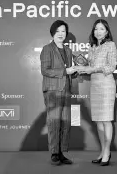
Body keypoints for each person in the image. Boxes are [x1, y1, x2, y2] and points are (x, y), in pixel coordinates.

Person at [75, 19, 117, 166]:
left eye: (101, 29)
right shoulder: (92, 47)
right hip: (95, 85)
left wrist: (92, 69)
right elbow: (89, 67)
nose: (98, 32)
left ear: (106, 31)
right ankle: (102, 151)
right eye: (96, 29)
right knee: (98, 120)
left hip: (106, 84)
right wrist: (80, 68)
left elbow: (111, 67)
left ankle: (107, 152)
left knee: (106, 120)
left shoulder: (110, 45)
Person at [40, 20, 76, 165]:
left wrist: (75, 72)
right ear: (53, 33)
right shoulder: (47, 49)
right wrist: (65, 71)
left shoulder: (68, 50)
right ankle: (54, 153)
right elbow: (45, 70)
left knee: (65, 122)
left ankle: (61, 152)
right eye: (58, 31)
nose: (61, 34)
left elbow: (68, 72)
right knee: (54, 122)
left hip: (66, 89)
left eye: (63, 31)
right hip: (53, 91)